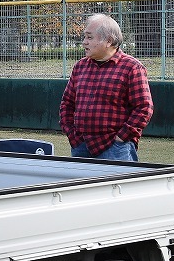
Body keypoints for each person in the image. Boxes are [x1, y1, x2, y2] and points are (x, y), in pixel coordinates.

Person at [59, 13, 153, 161]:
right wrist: (72, 135)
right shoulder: (80, 67)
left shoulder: (132, 67)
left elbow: (144, 108)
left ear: (108, 41)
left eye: (89, 37)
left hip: (115, 149)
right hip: (81, 147)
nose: (84, 42)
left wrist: (121, 138)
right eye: (85, 37)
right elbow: (67, 104)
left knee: (119, 185)